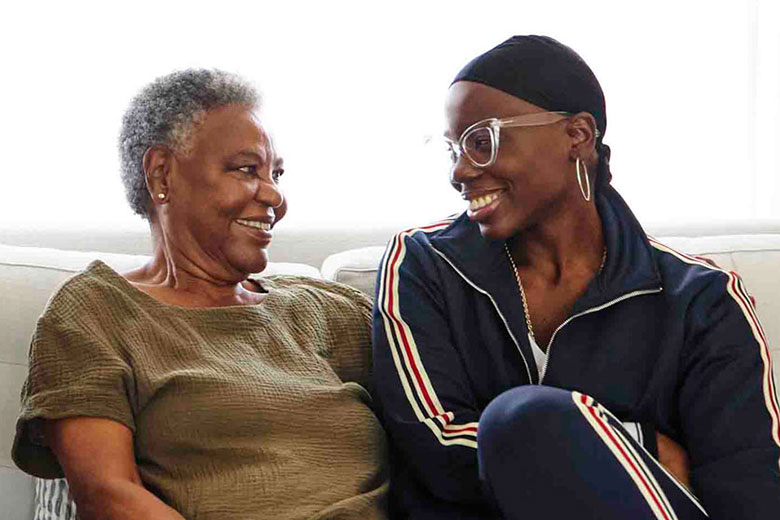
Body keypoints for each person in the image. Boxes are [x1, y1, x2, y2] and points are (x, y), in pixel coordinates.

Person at [372, 36, 780, 520]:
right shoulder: (422, 263)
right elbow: (435, 446)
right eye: (453, 149)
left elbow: (748, 490)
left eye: (481, 142)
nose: (459, 171)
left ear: (578, 135)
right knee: (517, 421)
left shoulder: (703, 299)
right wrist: (643, 444)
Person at [13, 69, 388, 520]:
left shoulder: (327, 310)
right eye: (247, 169)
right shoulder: (96, 312)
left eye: (276, 173)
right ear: (161, 173)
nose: (275, 196)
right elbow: (108, 495)